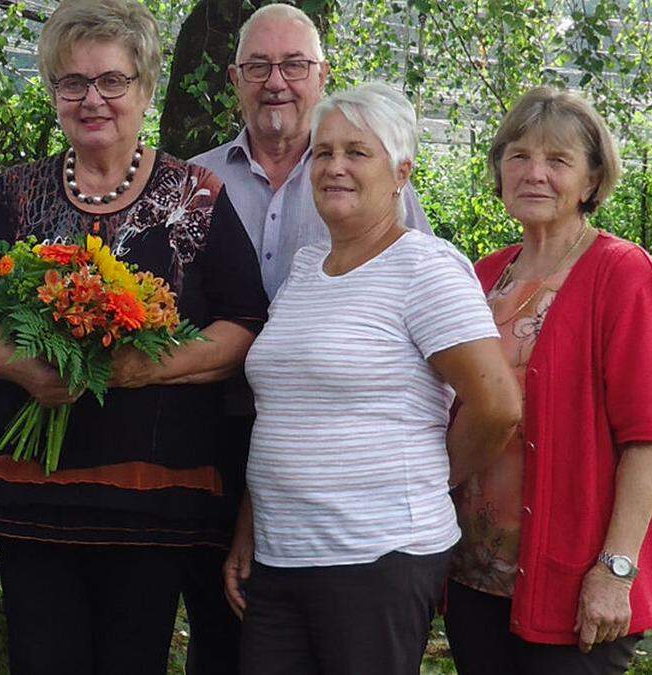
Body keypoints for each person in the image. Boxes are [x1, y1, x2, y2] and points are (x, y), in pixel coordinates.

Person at [0, 1, 268, 672]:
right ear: (55, 94)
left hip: (149, 496)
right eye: (73, 83)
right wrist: (26, 368)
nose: (92, 98)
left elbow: (244, 323)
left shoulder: (196, 195)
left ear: (144, 88)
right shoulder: (17, 192)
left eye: (112, 81)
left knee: (133, 658)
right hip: (33, 495)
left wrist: (151, 367)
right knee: (40, 657)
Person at [229, 82, 522, 674]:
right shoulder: (308, 269)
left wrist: (431, 478)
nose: (334, 167)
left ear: (401, 172)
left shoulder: (427, 268)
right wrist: (249, 525)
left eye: (357, 152)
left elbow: (497, 405)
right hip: (283, 554)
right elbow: (282, 411)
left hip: (377, 556)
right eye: (324, 152)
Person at [186, 7, 434, 670]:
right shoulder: (192, 182)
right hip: (210, 429)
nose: (277, 82)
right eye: (259, 67)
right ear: (235, 77)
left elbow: (426, 320)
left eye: (295, 65)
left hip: (343, 453)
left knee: (332, 635)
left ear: (322, 76)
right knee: (223, 622)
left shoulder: (369, 177)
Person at [444, 86, 652, 674]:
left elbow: (648, 440)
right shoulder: (483, 276)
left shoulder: (621, 273)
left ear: (592, 181)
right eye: (518, 156)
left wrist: (616, 569)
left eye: (558, 160)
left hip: (575, 581)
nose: (534, 173)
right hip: (474, 576)